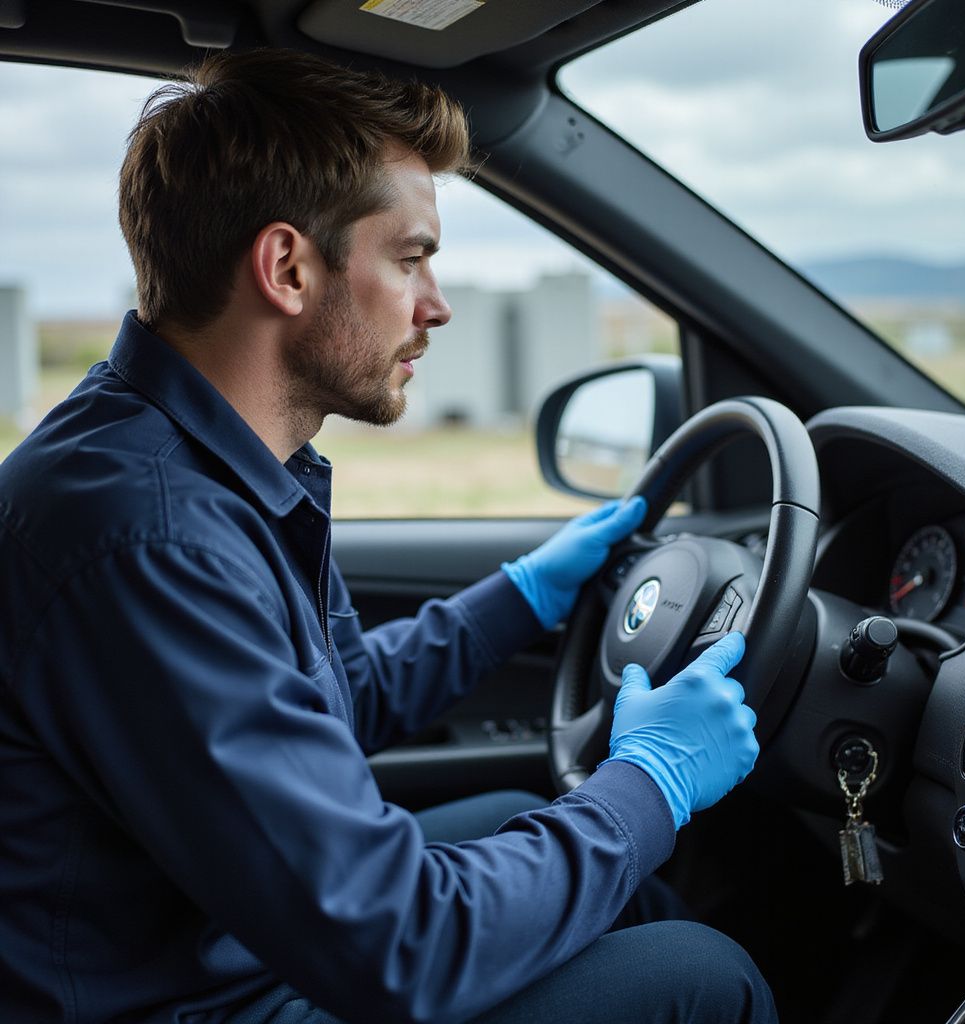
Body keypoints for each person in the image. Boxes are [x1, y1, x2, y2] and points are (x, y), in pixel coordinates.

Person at [0, 49, 774, 1024]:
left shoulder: (202, 465)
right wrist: (648, 783)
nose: (435, 304)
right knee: (702, 976)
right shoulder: (150, 537)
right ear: (287, 267)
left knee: (526, 833)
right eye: (410, 258)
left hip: (218, 944)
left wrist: (521, 594)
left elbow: (326, 704)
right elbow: (404, 948)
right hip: (182, 1000)